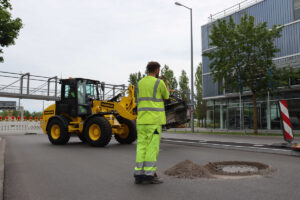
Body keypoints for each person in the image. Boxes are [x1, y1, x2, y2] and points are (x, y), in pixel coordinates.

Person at [134, 61, 169, 184]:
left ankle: (138, 175)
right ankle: (149, 175)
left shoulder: (140, 82)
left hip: (141, 120)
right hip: (154, 121)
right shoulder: (159, 82)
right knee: (152, 148)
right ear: (157, 70)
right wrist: (167, 85)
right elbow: (166, 96)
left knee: (141, 147)